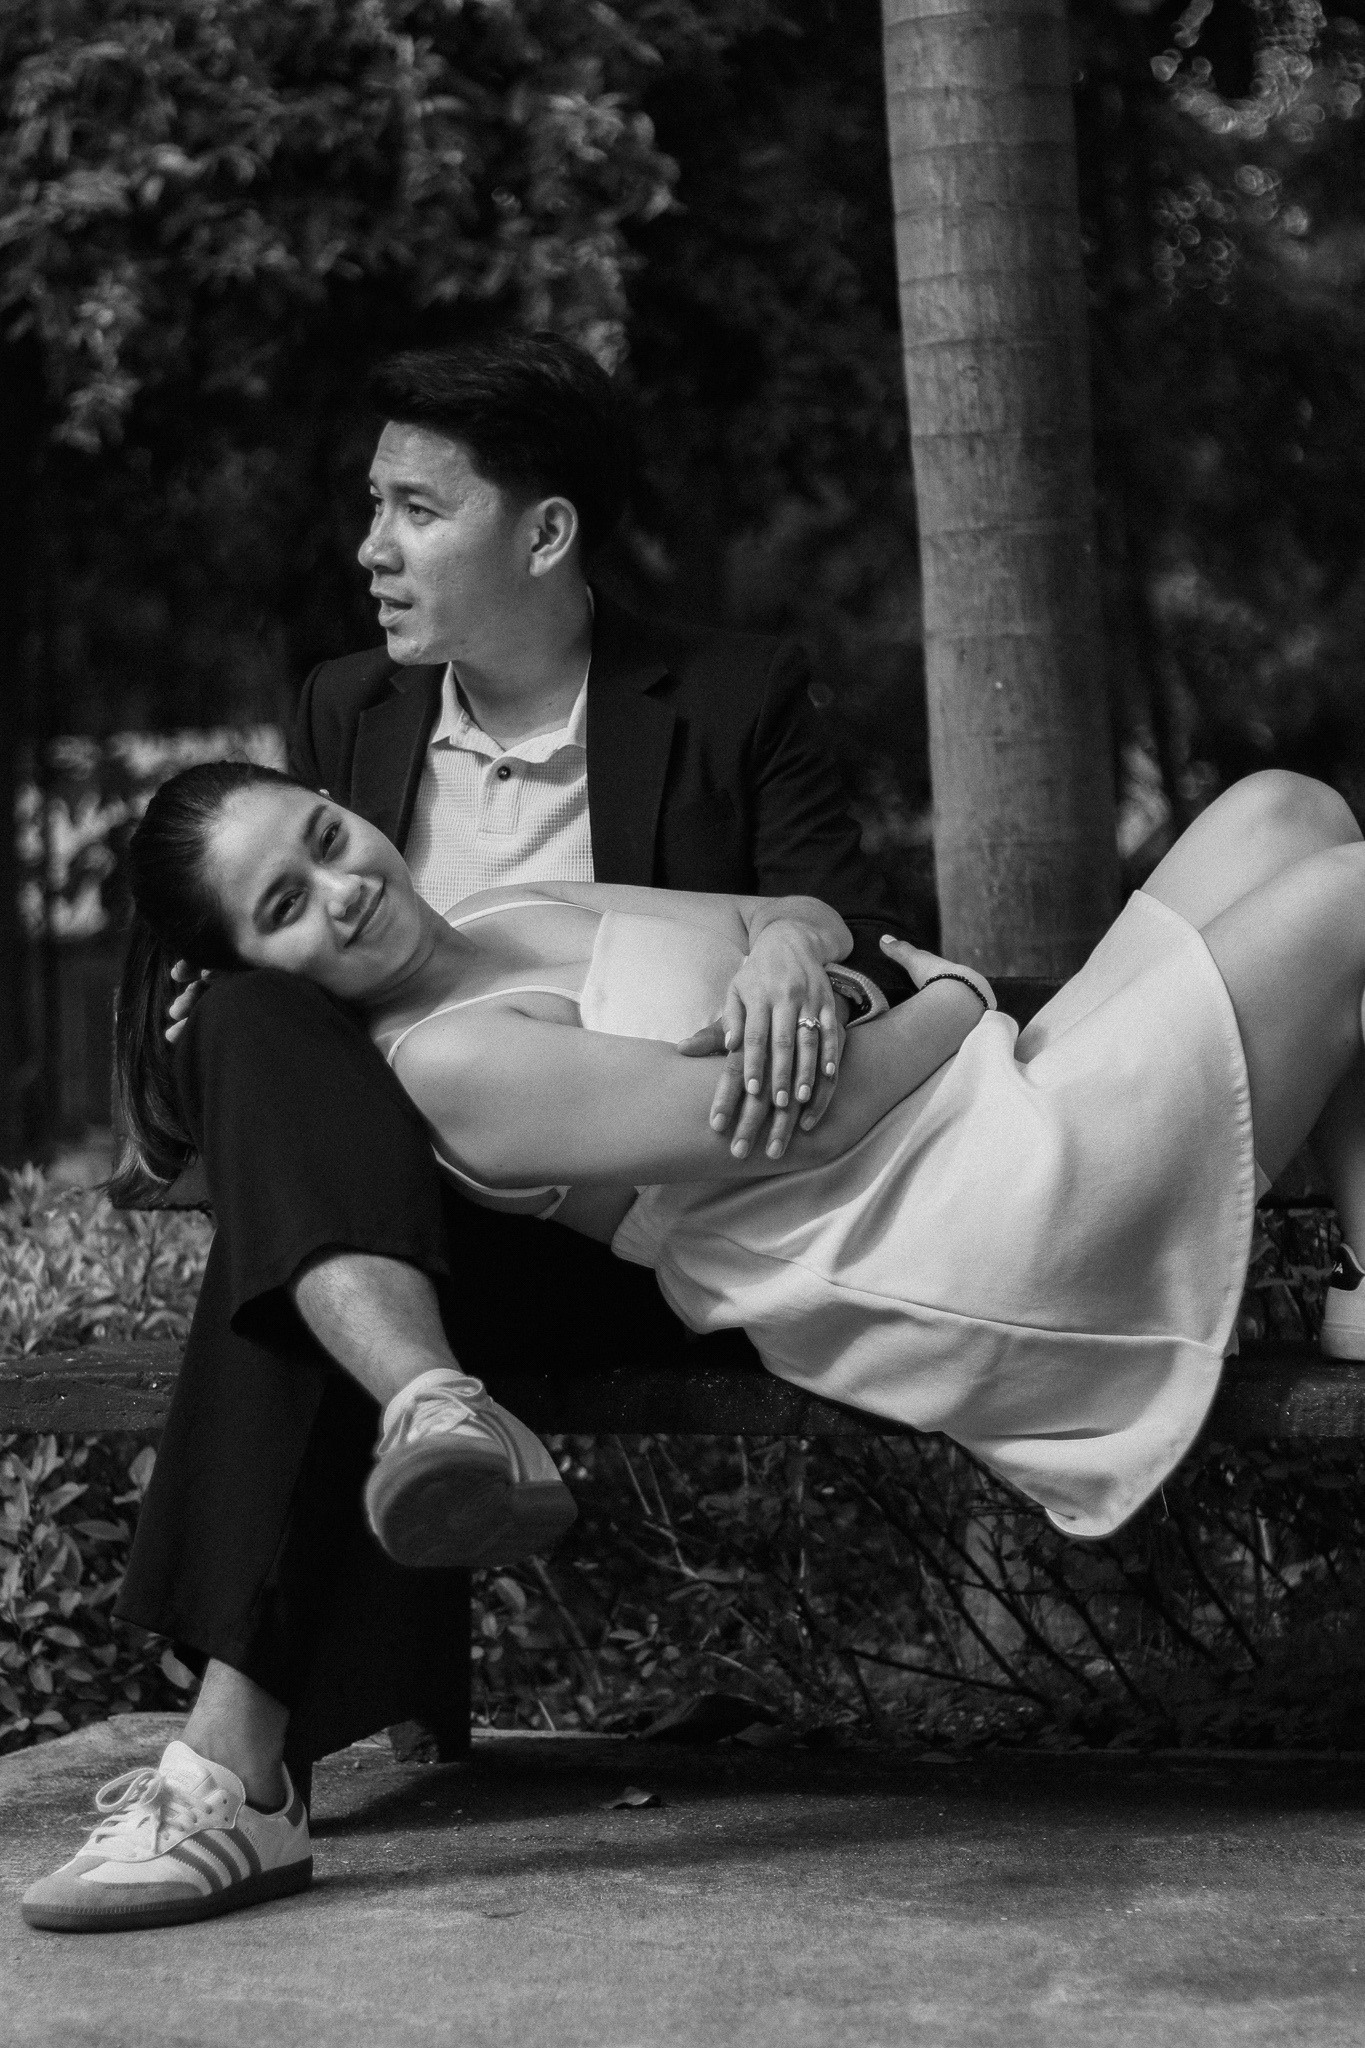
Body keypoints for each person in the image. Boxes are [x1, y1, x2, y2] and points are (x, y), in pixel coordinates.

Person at [25, 756, 1365, 1939]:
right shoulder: (450, 1067)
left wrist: (790, 954)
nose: (343, 890)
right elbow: (813, 1119)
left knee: (1285, 812)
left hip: (976, 1085)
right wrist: (951, 994)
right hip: (968, 1201)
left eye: (324, 840)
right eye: (286, 907)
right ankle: (233, 1759)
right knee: (1350, 895)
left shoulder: (513, 908)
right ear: (265, 974)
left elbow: (788, 916)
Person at [22, 336, 919, 1934]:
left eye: (415, 510)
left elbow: (848, 929)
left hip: (660, 1226)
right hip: (422, 1216)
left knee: (300, 1265)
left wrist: (802, 950)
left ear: (545, 532)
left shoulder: (728, 693)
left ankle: (230, 1774)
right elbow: (293, 966)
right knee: (259, 1033)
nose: (372, 547)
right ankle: (409, 1439)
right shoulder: (347, 709)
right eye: (373, 506)